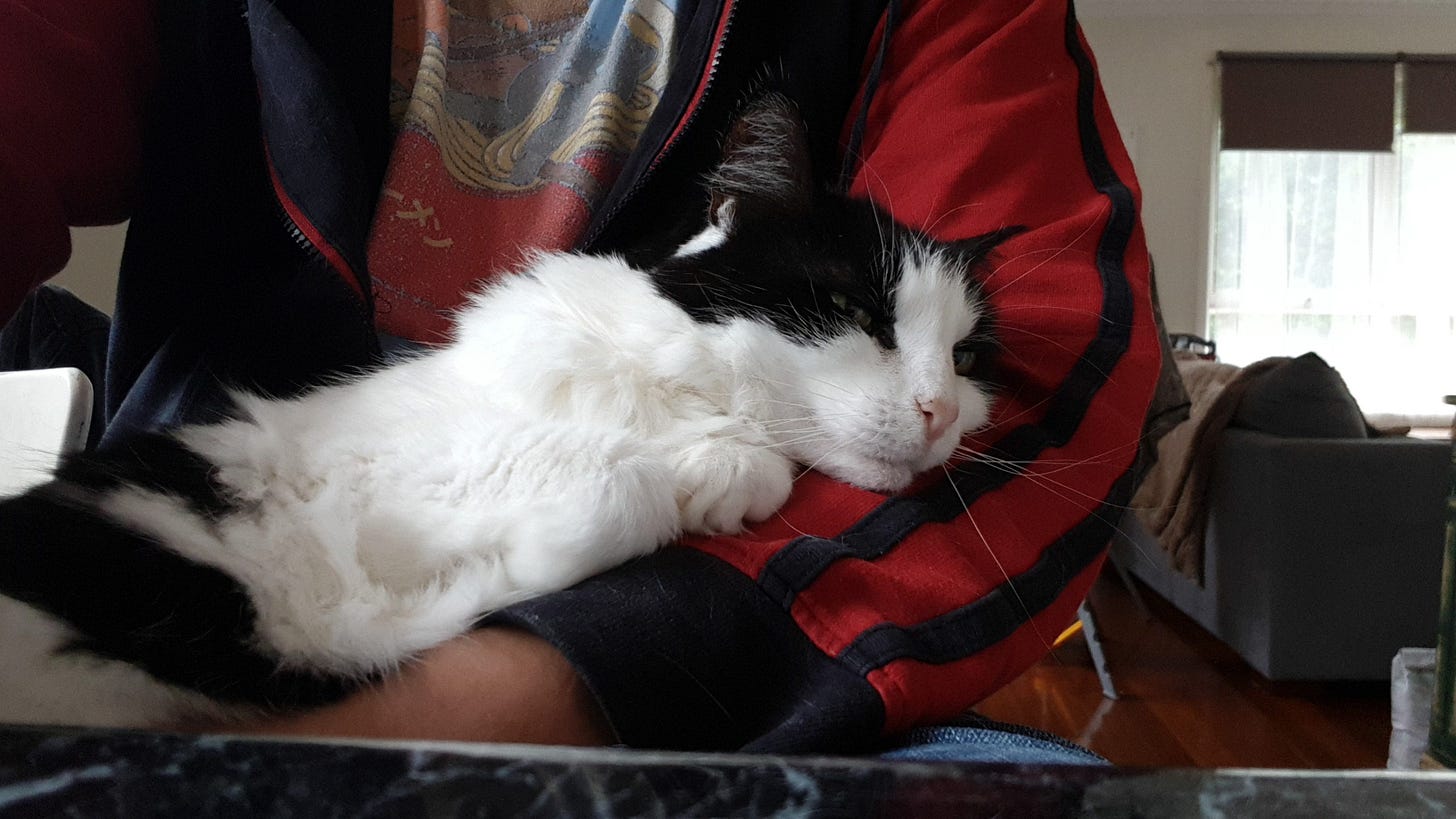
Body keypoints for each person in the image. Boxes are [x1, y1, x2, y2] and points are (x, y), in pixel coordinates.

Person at [0, 0, 1164, 756]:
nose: (936, 395)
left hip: (748, 653)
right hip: (196, 577)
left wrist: (555, 689)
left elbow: (1068, 377)